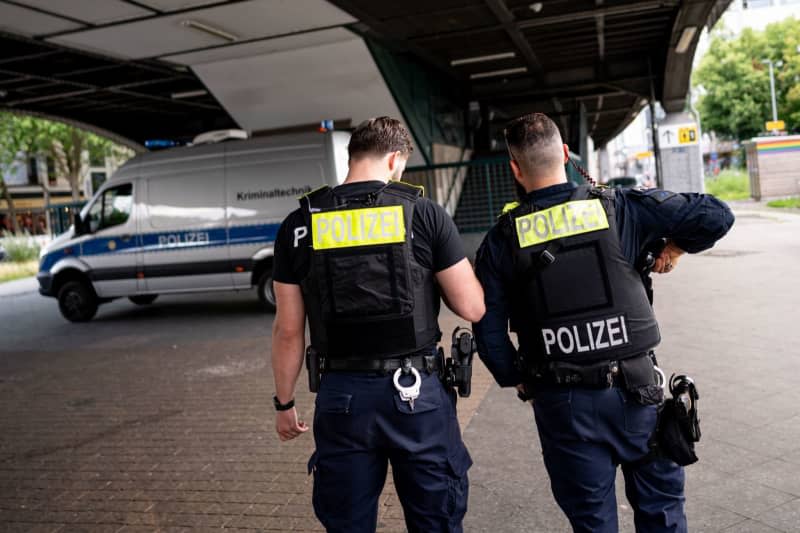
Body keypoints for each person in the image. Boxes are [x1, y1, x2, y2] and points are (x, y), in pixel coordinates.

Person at [473, 112, 734, 533]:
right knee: (663, 515)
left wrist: (516, 377)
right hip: (638, 392)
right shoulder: (620, 206)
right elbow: (715, 215)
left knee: (592, 522)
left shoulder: (502, 240)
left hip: (562, 403)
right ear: (564, 153)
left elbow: (487, 329)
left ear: (515, 169)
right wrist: (674, 249)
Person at [271, 117, 485, 532]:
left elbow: (289, 330)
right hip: (417, 396)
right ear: (393, 160)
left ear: (352, 157)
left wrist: (284, 404)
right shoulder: (423, 214)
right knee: (435, 522)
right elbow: (472, 308)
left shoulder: (299, 225)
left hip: (341, 398)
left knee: (347, 523)